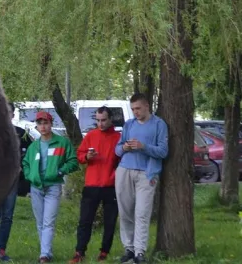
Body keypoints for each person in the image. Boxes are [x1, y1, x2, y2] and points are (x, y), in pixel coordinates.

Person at [115, 93, 168, 264]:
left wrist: (143, 147)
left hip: (147, 173)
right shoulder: (129, 124)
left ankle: (140, 252)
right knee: (125, 212)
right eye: (133, 109)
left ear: (147, 105)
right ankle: (129, 249)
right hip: (125, 170)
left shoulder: (159, 124)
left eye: (138, 108)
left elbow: (163, 151)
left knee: (142, 213)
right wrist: (125, 147)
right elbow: (117, 150)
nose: (135, 112)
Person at [0, 101, 33, 262]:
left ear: (12, 115)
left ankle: (1, 249)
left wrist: (22, 167)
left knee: (7, 217)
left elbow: (30, 154)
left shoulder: (21, 133)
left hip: (11, 182)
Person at [23, 111, 79, 263]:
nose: (43, 126)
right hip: (36, 187)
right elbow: (26, 164)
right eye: (40, 123)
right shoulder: (34, 146)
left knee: (48, 221)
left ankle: (44, 255)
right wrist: (30, 176)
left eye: (45, 123)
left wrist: (60, 171)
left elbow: (73, 161)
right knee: (40, 222)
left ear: (51, 124)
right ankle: (46, 252)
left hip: (53, 186)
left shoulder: (62, 142)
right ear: (37, 126)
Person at [69, 106, 121, 263]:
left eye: (103, 120)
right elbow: (79, 155)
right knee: (85, 220)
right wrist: (87, 156)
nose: (100, 123)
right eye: (97, 120)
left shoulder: (118, 137)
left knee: (110, 221)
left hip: (110, 185)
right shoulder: (91, 135)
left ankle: (104, 252)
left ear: (110, 119)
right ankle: (79, 252)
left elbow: (123, 160)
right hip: (91, 184)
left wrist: (117, 174)